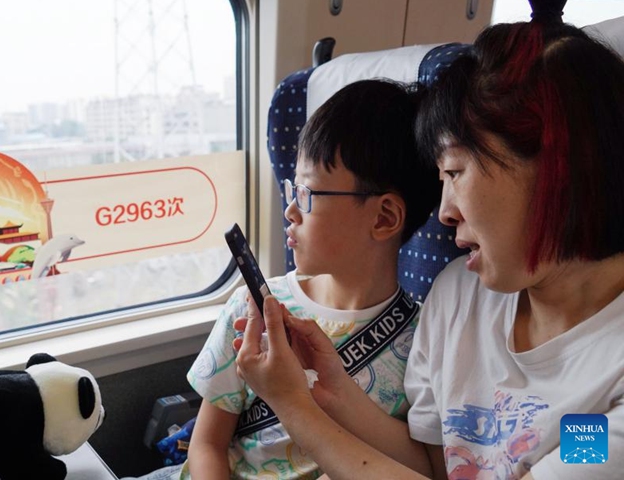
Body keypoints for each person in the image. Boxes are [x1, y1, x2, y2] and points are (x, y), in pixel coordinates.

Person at [234, 8, 624, 480]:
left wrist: (293, 407)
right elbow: (434, 465)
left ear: (558, 165)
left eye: (456, 172)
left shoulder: (610, 371)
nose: (444, 212)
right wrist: (329, 386)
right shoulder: (458, 295)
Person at [135, 79, 440, 480]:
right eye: (290, 189)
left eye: (308, 194)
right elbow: (207, 444)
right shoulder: (257, 308)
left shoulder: (421, 345)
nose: (290, 210)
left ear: (383, 218)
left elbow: (418, 468)